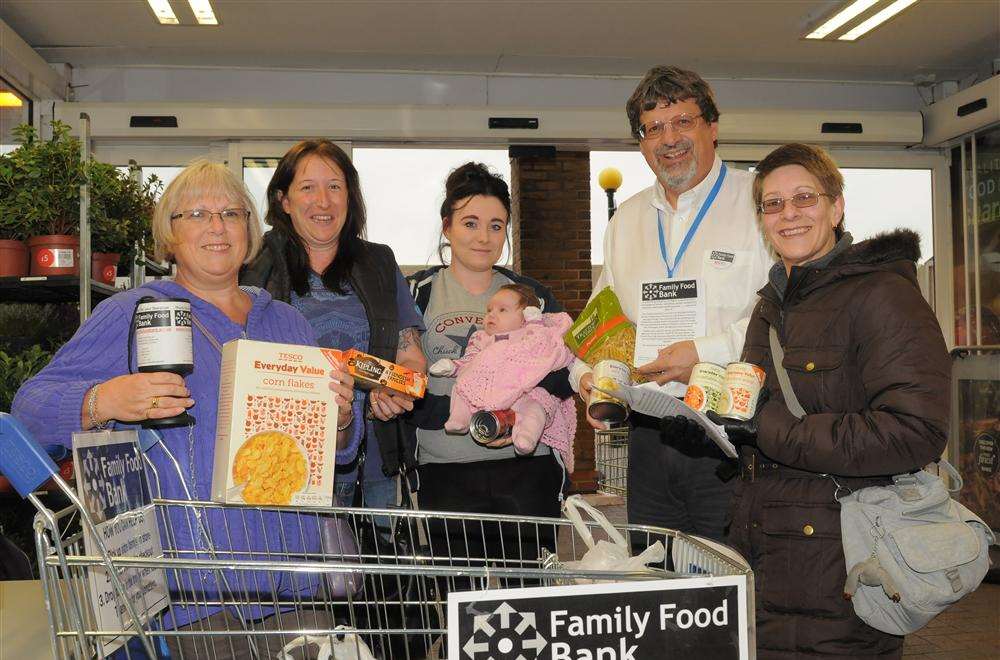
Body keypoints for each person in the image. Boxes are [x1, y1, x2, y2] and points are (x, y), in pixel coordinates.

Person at [13, 160, 357, 658]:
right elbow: (30, 408)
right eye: (195, 214)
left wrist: (341, 421)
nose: (217, 226)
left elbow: (336, 456)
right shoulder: (135, 311)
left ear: (250, 231)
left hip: (297, 583)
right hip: (196, 596)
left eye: (231, 213)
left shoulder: (288, 322)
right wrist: (103, 399)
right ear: (169, 236)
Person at [710, 143, 950, 658]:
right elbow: (757, 418)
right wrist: (713, 423)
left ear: (837, 207)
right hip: (763, 564)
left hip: (845, 575)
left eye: (804, 197)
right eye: (773, 204)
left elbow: (915, 433)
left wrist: (768, 430)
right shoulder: (769, 305)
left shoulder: (883, 296)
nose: (788, 213)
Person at [571, 66, 772, 542]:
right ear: (641, 143)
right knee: (659, 583)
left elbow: (780, 316)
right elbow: (606, 316)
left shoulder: (759, 203)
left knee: (735, 581)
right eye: (653, 128)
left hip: (734, 430)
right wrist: (588, 375)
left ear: (713, 127)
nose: (669, 138)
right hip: (649, 432)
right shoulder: (627, 220)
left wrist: (703, 352)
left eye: (683, 121)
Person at [241, 139, 426, 510]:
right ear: (284, 200)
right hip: (282, 463)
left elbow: (412, 361)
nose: (323, 201)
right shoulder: (252, 263)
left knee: (374, 568)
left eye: (335, 187)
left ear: (350, 197)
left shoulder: (379, 262)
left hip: (372, 469)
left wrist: (397, 392)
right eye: (307, 187)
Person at [407, 162, 573, 550]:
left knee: (528, 598)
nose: (484, 237)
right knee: (459, 599)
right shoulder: (415, 294)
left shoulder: (533, 297)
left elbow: (564, 373)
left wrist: (511, 414)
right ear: (446, 226)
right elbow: (403, 384)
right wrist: (461, 416)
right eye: (470, 223)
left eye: (496, 226)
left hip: (527, 468)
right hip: (445, 471)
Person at [429, 283, 577, 460]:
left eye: (502, 310)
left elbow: (544, 345)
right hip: (488, 389)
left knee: (536, 406)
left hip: (524, 391)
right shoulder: (482, 338)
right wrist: (453, 366)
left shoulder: (528, 334)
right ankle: (459, 419)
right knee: (462, 386)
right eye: (489, 310)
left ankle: (526, 437)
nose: (491, 314)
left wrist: (534, 322)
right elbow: (470, 360)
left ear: (525, 316)